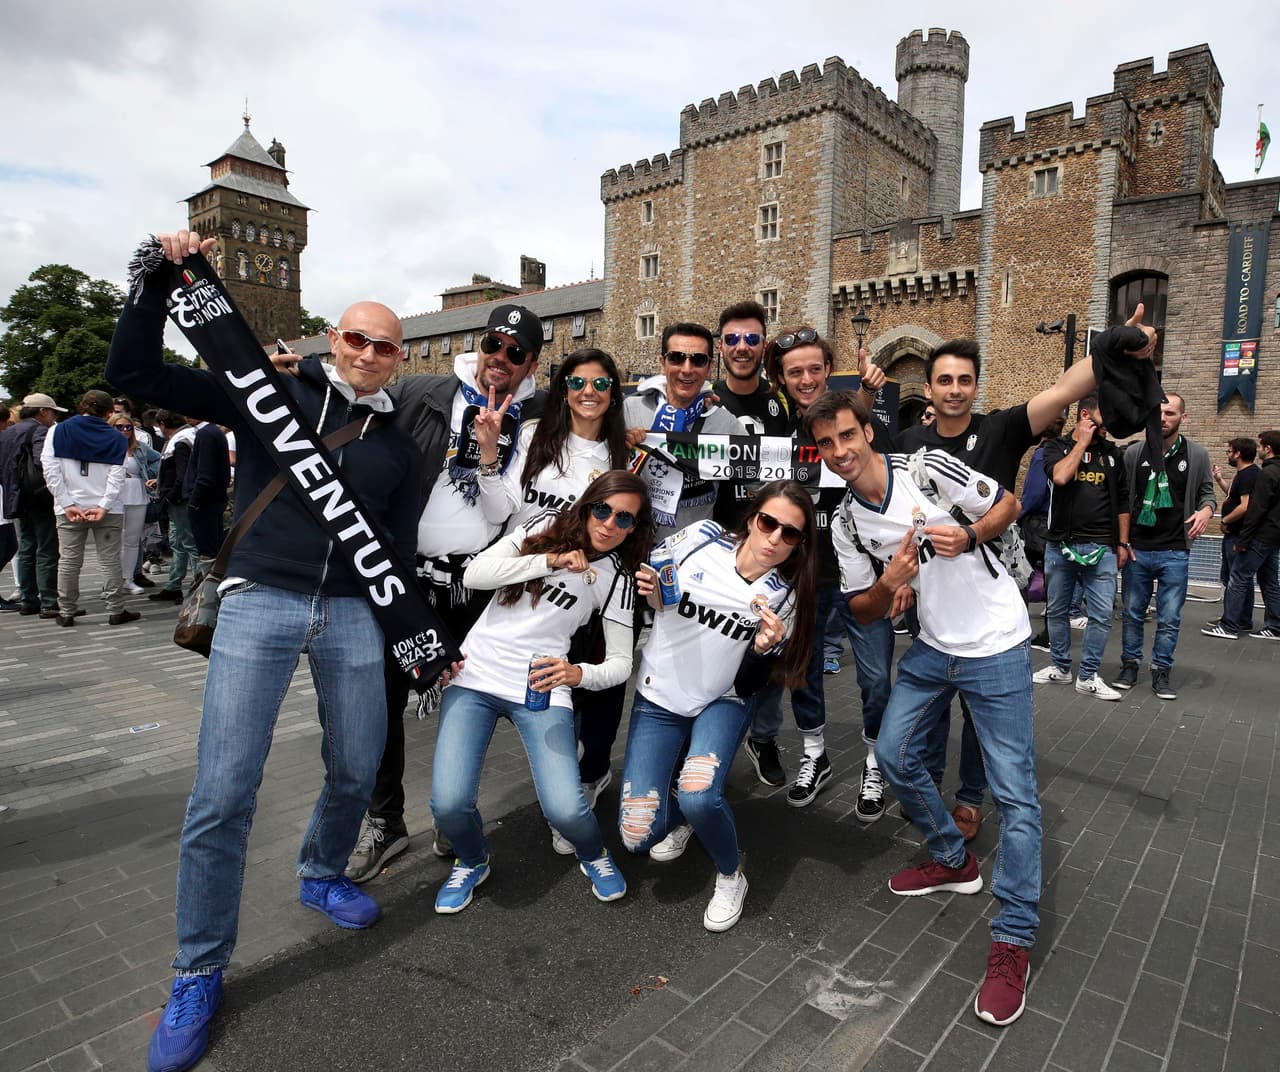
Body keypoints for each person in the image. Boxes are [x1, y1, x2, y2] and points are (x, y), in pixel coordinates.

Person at [107, 229, 425, 1072]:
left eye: (382, 345)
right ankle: (197, 968)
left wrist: (421, 641)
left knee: (359, 768)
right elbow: (135, 378)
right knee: (223, 793)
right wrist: (153, 283)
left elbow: (395, 547)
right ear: (334, 341)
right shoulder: (266, 396)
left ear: (398, 359)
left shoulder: (398, 447)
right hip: (261, 601)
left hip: (355, 612)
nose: (364, 353)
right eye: (353, 337)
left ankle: (322, 869)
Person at [808, 389, 1039, 1028]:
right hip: (934, 647)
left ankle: (1012, 941)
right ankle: (952, 857)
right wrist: (891, 580)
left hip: (996, 643)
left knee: (1017, 799)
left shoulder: (927, 469)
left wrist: (966, 536)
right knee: (891, 754)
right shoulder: (846, 524)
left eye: (847, 436)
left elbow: (1009, 506)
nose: (840, 452)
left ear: (868, 433)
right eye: (827, 444)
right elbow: (861, 609)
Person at [898, 310, 1156, 841]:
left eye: (964, 380)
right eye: (944, 380)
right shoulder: (905, 445)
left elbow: (1064, 390)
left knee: (975, 714)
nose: (954, 389)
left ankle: (970, 798)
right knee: (926, 712)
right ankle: (925, 788)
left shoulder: (1001, 428)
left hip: (990, 597)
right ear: (928, 387)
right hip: (934, 600)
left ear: (975, 386)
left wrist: (1114, 348)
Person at [340, 303, 544, 883]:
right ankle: (384, 821)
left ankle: (455, 813)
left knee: (469, 698)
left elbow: (595, 411)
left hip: (477, 583)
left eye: (515, 352)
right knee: (382, 701)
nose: (499, 359)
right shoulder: (423, 393)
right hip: (403, 574)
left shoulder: (539, 413)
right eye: (493, 344)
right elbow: (356, 408)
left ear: (531, 362)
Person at [430, 472, 651, 912]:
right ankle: (473, 860)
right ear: (588, 506)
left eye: (624, 519)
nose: (609, 524)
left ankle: (594, 854)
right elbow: (475, 574)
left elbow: (622, 664)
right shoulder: (545, 526)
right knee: (449, 805)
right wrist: (549, 562)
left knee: (567, 811)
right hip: (476, 677)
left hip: (541, 684)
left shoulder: (617, 578)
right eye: (602, 510)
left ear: (634, 528)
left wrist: (578, 674)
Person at [618, 481, 818, 932]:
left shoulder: (784, 596)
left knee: (699, 792)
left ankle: (731, 874)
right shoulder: (700, 538)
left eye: (789, 534)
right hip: (659, 693)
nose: (773, 539)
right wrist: (649, 584)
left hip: (722, 700)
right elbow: (657, 586)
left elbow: (748, 684)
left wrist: (763, 650)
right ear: (751, 519)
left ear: (799, 544)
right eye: (768, 523)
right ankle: (686, 819)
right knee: (637, 836)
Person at [742, 329, 896, 821]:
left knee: (875, 678)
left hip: (863, 578)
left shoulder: (856, 423)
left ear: (829, 370)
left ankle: (874, 760)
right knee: (802, 675)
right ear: (781, 380)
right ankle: (815, 754)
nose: (806, 379)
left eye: (814, 369)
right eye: (795, 372)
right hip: (802, 579)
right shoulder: (776, 435)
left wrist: (869, 397)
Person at [500, 349, 635, 852]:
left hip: (597, 587)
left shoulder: (624, 453)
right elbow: (507, 505)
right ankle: (558, 783)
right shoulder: (535, 439)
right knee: (544, 690)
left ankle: (590, 775)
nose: (588, 393)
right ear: (562, 389)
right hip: (535, 584)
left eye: (601, 385)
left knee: (597, 691)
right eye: (577, 382)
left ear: (614, 395)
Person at [1113, 392, 1214, 699]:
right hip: (1138, 549)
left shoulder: (1197, 455)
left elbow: (1207, 494)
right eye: (1157, 413)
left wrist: (1207, 511)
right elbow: (1122, 501)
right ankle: (1130, 665)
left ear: (1183, 418)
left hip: (1175, 551)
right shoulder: (1134, 454)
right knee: (1132, 613)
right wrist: (1122, 541)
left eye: (1170, 413)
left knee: (1170, 617)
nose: (1162, 419)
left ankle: (1161, 671)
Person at [1031, 396, 1130, 699]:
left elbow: (1123, 501)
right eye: (1105, 417)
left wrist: (1123, 542)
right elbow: (1060, 476)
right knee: (1058, 610)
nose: (1110, 424)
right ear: (1086, 415)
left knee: (1101, 614)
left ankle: (1088, 675)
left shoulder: (1113, 454)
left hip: (1103, 547)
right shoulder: (1054, 448)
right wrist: (1081, 444)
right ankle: (1061, 667)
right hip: (1061, 544)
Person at [625, 321, 748, 539]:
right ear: (662, 363)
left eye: (698, 360)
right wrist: (621, 445)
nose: (687, 369)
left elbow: (763, 470)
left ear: (709, 367)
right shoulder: (630, 410)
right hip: (632, 547)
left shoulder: (723, 422)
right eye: (677, 358)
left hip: (692, 557)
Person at [40, 390, 139, 627]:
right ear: (108, 413)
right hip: (108, 509)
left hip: (68, 508)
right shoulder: (116, 437)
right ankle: (116, 609)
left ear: (80, 405)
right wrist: (104, 505)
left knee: (69, 560)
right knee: (109, 560)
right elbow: (117, 477)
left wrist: (67, 503)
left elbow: (50, 470)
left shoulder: (57, 431)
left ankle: (66, 611)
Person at [1203, 430, 1280, 641]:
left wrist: (1234, 529)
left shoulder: (1263, 474)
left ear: (1268, 448)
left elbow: (1254, 508)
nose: (1259, 450)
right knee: (1269, 580)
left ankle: (1230, 625)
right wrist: (1220, 480)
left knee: (1238, 578)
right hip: (1272, 536)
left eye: (1262, 446)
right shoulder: (1269, 472)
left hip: (1257, 536)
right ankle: (1273, 626)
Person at [0, 393, 66, 616]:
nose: (54, 417)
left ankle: (29, 599)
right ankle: (49, 600)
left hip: (16, 496)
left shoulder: (8, 432)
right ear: (43, 411)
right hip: (39, 495)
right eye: (53, 412)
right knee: (47, 547)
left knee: (27, 546)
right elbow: (42, 461)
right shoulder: (40, 430)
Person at [709, 301, 789, 437]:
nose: (741, 347)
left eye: (752, 339)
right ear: (720, 347)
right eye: (731, 339)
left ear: (764, 346)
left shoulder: (784, 399)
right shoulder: (706, 399)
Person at [148, 412, 198, 604]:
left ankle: (196, 588)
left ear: (162, 424)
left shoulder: (181, 440)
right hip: (177, 498)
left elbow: (182, 474)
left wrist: (170, 496)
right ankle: (174, 585)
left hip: (179, 500)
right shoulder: (186, 436)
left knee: (189, 544)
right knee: (178, 543)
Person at [109, 412, 161, 594]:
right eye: (120, 427)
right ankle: (112, 581)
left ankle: (128, 578)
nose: (124, 430)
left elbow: (160, 459)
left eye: (128, 427)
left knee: (132, 540)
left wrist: (152, 476)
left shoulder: (140, 447)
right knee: (113, 541)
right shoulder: (104, 446)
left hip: (137, 494)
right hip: (113, 496)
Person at [1212, 437, 1260, 625]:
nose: (1228, 455)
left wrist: (1225, 520)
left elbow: (1245, 505)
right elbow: (1232, 496)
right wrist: (1220, 480)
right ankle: (1236, 617)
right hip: (1234, 534)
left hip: (1238, 534)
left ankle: (1237, 619)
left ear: (1238, 453)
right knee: (1235, 577)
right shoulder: (1242, 474)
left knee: (1237, 579)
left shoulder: (1248, 474)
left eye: (1229, 451)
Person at [182, 418, 231, 559]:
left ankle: (211, 579)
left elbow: (205, 473)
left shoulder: (206, 434)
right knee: (214, 547)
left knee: (208, 552)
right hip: (212, 500)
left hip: (205, 502)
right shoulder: (213, 432)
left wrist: (194, 501)